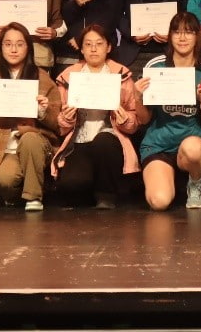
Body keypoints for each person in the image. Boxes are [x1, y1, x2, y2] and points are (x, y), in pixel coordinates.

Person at [52, 24, 149, 208]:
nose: (94, 49)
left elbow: (134, 122)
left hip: (109, 140)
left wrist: (124, 119)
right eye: (88, 44)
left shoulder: (121, 75)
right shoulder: (68, 77)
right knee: (71, 186)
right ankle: (88, 190)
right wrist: (67, 118)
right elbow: (61, 127)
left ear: (109, 47)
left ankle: (106, 194)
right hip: (78, 139)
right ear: (81, 48)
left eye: (99, 43)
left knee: (103, 141)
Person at [0, 22, 62, 210]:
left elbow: (60, 123)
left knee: (29, 139)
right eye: (8, 44)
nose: (13, 49)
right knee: (5, 181)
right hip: (4, 146)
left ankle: (34, 198)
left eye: (20, 44)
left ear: (28, 48)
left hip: (36, 143)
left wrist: (43, 111)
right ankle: (20, 191)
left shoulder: (41, 77)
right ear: (0, 47)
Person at [136, 12, 201, 210]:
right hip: (159, 144)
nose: (182, 38)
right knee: (159, 202)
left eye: (188, 32)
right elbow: (145, 119)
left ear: (198, 36)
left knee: (193, 149)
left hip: (192, 142)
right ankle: (173, 181)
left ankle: (195, 182)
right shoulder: (155, 66)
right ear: (170, 36)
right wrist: (138, 96)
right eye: (177, 32)